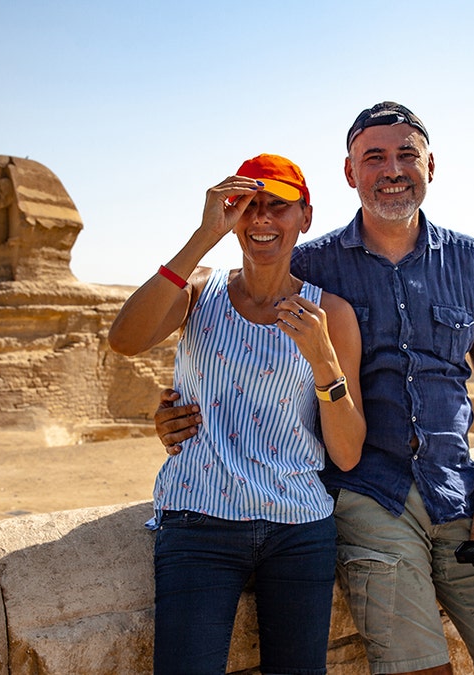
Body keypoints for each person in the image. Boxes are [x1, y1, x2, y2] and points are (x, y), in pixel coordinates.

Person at [154, 104, 474, 675]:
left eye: (406, 155)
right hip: (367, 496)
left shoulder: (471, 262)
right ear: (350, 172)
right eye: (374, 157)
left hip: (461, 494)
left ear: (431, 165)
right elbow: (239, 340)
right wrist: (176, 404)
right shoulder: (309, 264)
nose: (391, 169)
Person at [108, 153, 366, 674]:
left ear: (305, 217)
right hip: (199, 520)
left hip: (299, 526)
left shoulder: (330, 315)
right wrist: (204, 236)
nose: (262, 218)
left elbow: (346, 452)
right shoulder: (198, 293)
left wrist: (324, 363)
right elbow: (124, 340)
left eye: (278, 206)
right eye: (248, 206)